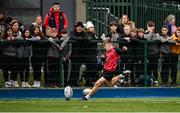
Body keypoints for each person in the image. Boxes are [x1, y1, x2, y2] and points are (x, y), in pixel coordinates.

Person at [70, 21, 88, 86]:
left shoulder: (83, 33)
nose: (79, 28)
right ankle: (71, 82)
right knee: (73, 69)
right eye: (78, 27)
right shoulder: (72, 32)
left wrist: (80, 39)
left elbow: (87, 38)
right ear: (76, 27)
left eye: (81, 27)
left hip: (81, 54)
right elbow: (72, 37)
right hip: (74, 54)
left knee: (78, 69)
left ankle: (75, 82)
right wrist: (81, 39)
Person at [144, 21, 160, 86]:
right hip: (148, 54)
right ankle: (149, 81)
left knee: (155, 68)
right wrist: (150, 33)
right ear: (147, 27)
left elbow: (158, 39)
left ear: (154, 27)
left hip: (155, 54)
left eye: (152, 26)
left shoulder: (156, 34)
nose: (150, 28)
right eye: (149, 26)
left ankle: (156, 81)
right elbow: (147, 38)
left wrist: (152, 38)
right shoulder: (145, 33)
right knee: (148, 69)